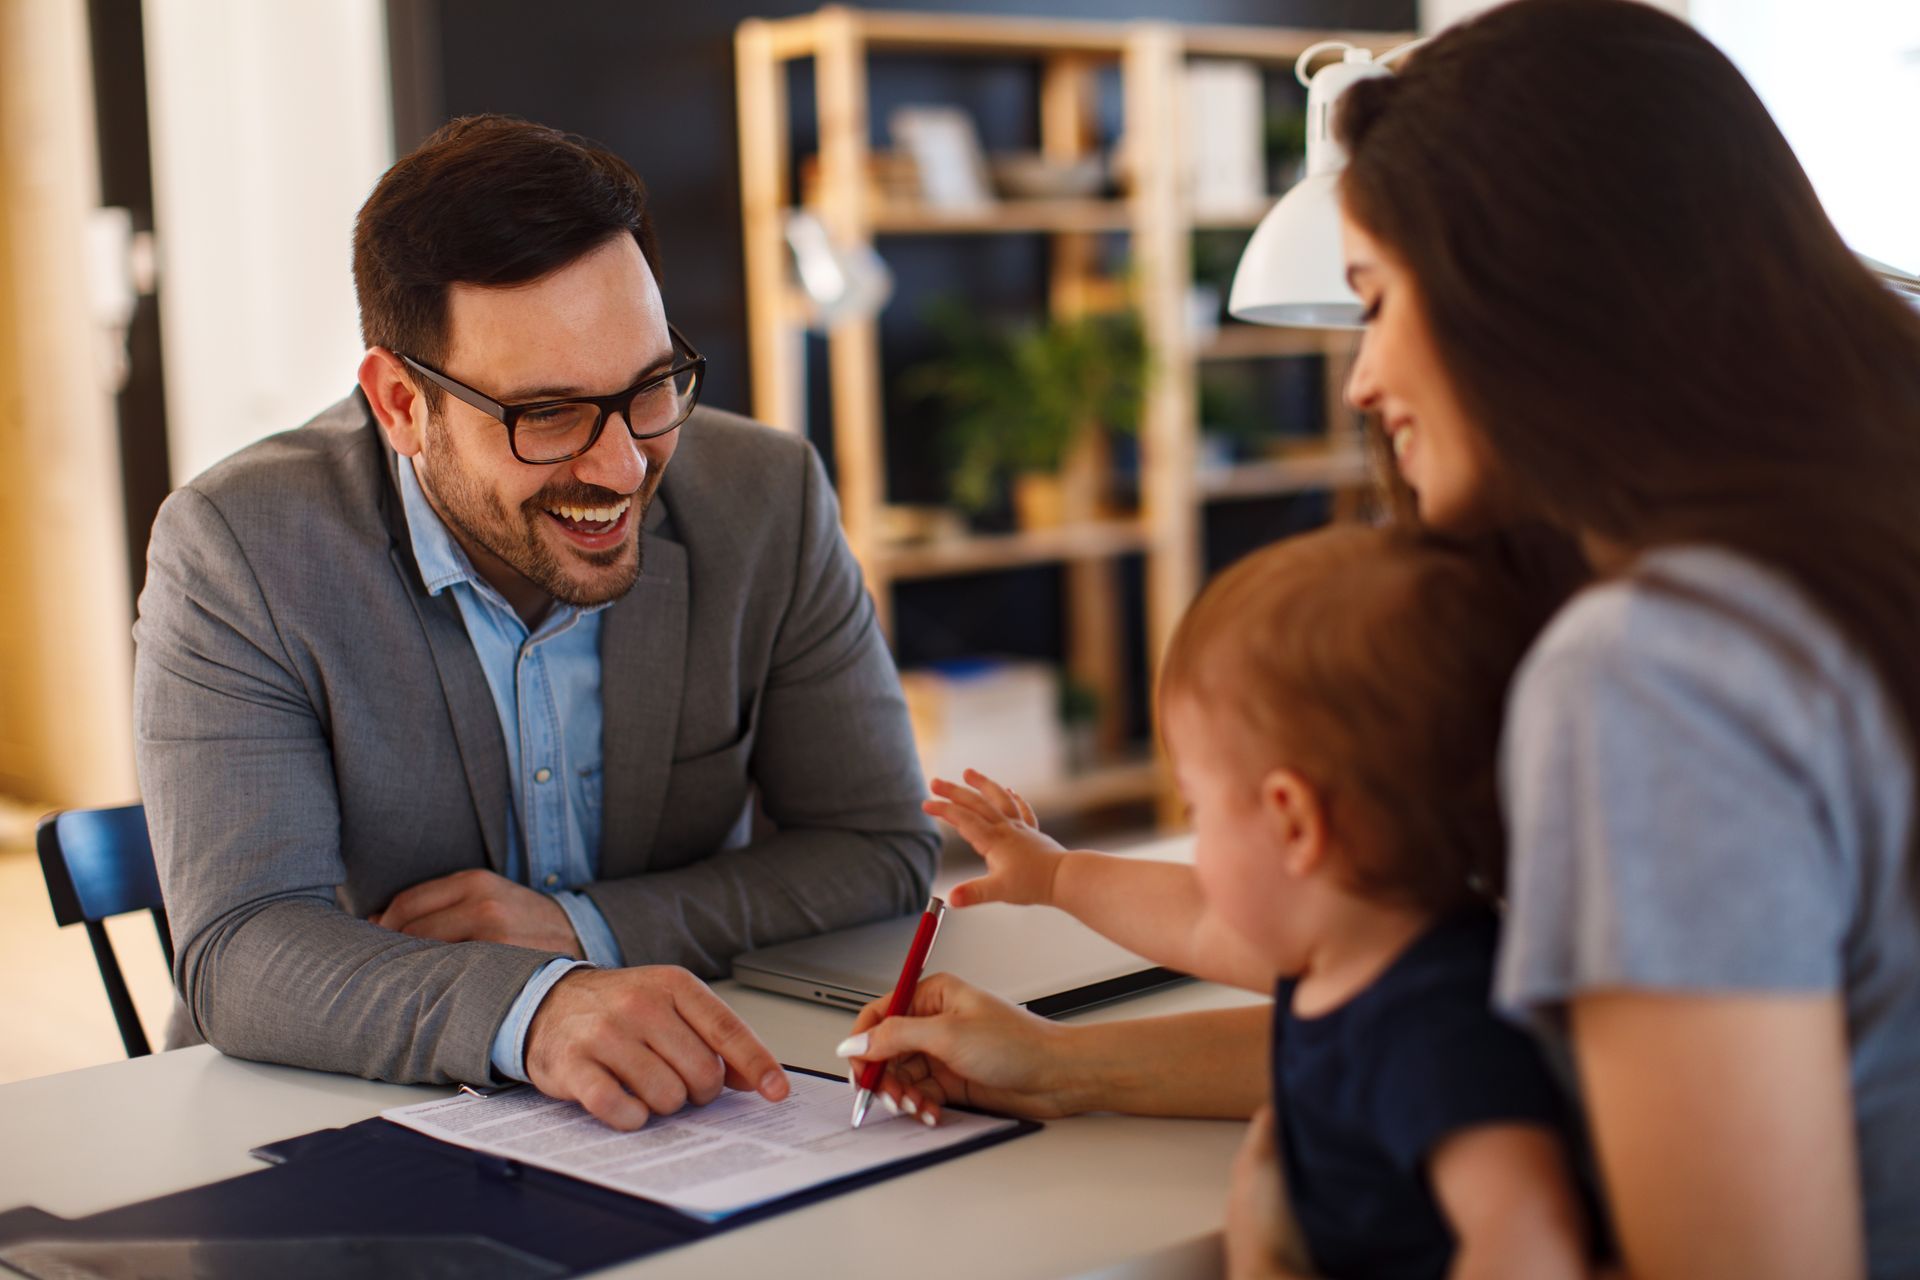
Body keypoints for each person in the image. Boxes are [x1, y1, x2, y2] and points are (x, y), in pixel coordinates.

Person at [837, 3, 1920, 1277]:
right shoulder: (1833, 578)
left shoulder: (1656, 673)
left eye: (1377, 298)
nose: (1357, 378)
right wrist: (1065, 1064)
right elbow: (1450, 1040)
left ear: (1526, 290)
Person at [133, 115, 937, 1129]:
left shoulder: (765, 498)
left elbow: (879, 846)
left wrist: (581, 931)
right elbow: (241, 944)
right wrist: (538, 1009)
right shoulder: (241, 547)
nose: (620, 467)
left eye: (649, 388)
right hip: (323, 1113)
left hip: (680, 1112)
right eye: (548, 412)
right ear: (398, 404)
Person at [844, 526, 1593, 1278]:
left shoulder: (1442, 1035)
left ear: (1294, 823)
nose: (1196, 845)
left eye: (1199, 811)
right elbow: (1198, 918)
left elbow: (1531, 1254)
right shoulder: (1346, 946)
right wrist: (1056, 877)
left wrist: (1263, 1262)